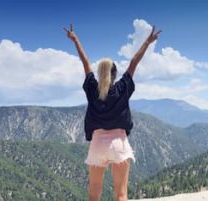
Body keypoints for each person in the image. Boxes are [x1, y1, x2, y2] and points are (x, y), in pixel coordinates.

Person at [64, 24, 161, 201]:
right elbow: (133, 62)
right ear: (115, 75)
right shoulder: (122, 88)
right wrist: (147, 41)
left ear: (99, 75)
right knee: (121, 193)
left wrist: (75, 40)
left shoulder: (93, 89)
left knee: (94, 193)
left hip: (97, 145)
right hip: (119, 144)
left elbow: (85, 63)